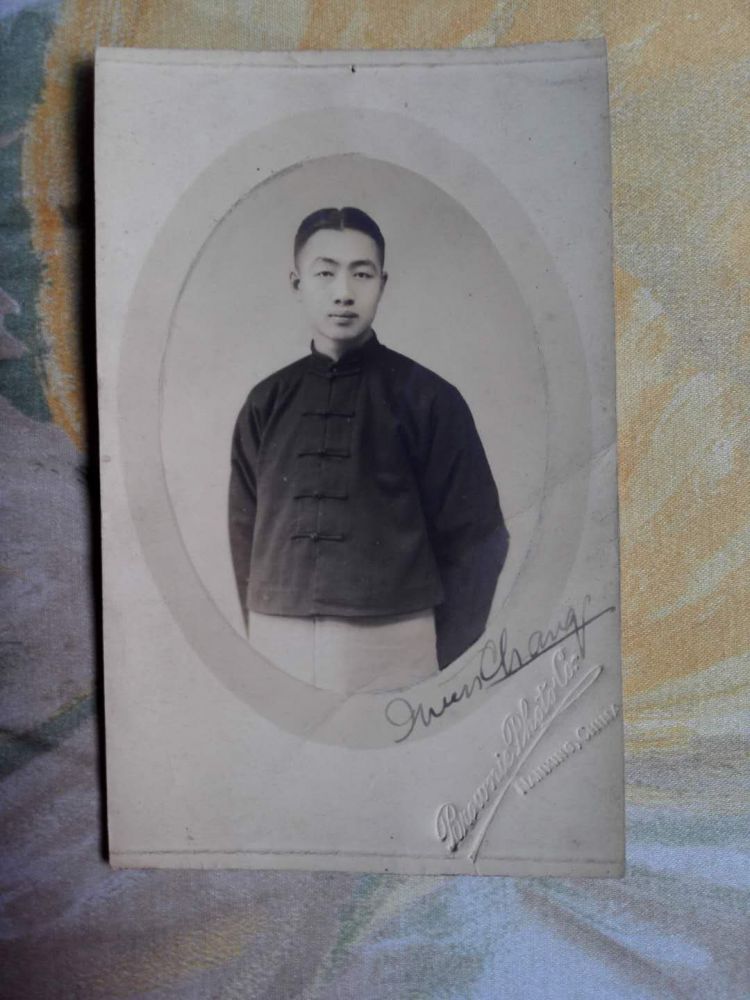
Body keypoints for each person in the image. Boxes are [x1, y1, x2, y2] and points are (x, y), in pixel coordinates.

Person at [228, 206, 508, 692]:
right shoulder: (265, 401)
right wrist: (261, 629)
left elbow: (480, 538)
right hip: (277, 639)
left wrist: (442, 660)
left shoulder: (429, 398)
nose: (344, 292)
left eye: (361, 273)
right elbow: (243, 532)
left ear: (383, 283)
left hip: (394, 644)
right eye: (325, 273)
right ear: (297, 283)